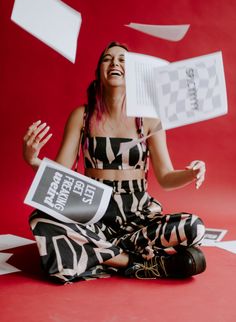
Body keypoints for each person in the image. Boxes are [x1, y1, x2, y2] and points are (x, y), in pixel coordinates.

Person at [23, 41, 207, 284]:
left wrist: (190, 173)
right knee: (41, 219)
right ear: (99, 71)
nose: (115, 63)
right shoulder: (82, 116)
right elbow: (62, 172)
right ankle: (135, 263)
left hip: (139, 217)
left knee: (195, 227)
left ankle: (101, 252)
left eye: (122, 60)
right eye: (107, 59)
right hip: (90, 213)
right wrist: (33, 159)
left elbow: (165, 177)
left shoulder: (150, 120)